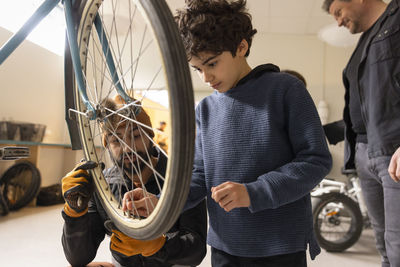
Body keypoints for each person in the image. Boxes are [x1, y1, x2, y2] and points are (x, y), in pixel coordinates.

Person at [124, 1, 332, 266]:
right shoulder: (206, 109)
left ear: (241, 47)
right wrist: (161, 203)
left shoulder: (285, 89)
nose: (205, 78)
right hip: (225, 247)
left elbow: (316, 160)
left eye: (212, 63)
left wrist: (255, 192)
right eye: (198, 69)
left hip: (279, 245)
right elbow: (200, 177)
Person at [61, 96, 207, 267]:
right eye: (116, 140)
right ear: (107, 145)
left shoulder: (182, 180)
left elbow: (196, 250)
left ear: (150, 138)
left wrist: (157, 246)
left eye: (136, 136)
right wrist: (74, 211)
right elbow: (78, 258)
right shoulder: (102, 185)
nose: (127, 147)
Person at [322, 0, 400, 266]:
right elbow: (369, 111)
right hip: (366, 156)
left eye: (338, 12)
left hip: (394, 154)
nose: (339, 22)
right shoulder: (365, 42)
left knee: (398, 246)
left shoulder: (397, 19)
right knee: (383, 244)